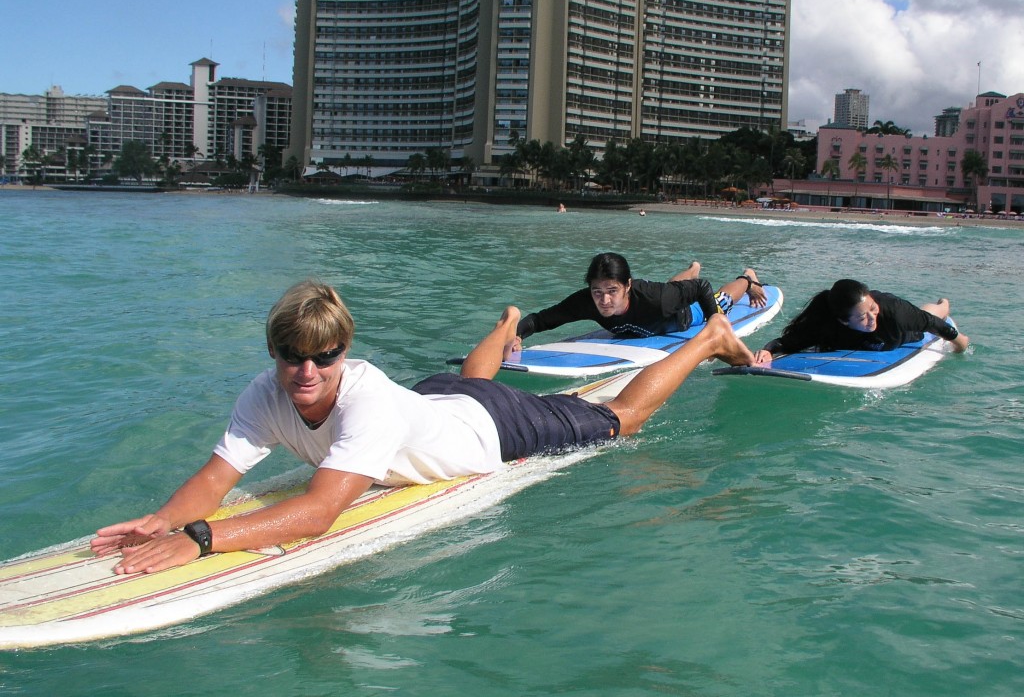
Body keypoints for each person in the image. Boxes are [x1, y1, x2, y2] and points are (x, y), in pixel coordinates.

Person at [91, 280, 755, 575]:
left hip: (492, 428)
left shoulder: (365, 402)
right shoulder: (265, 393)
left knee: (619, 421)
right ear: (275, 353)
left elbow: (320, 512)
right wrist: (164, 518)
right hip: (433, 402)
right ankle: (506, 325)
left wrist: (201, 540)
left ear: (343, 350)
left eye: (325, 355)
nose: (308, 371)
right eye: (294, 355)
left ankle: (709, 340)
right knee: (469, 380)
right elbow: (217, 475)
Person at [513, 252, 768, 348]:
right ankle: (692, 268)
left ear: (627, 285)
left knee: (720, 299)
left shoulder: (656, 299)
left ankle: (746, 278)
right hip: (666, 295)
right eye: (597, 291)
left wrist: (715, 322)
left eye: (612, 291)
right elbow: (540, 320)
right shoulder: (587, 301)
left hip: (683, 317)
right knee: (673, 288)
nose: (604, 299)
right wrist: (517, 336)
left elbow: (702, 288)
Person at [752, 278, 969, 366]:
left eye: (872, 310)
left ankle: (944, 303)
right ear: (843, 321)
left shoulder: (892, 312)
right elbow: (787, 342)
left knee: (930, 315)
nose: (872, 318)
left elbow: (934, 324)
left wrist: (960, 343)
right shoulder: (827, 324)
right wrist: (768, 351)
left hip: (904, 334)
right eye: (863, 317)